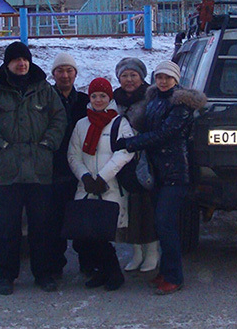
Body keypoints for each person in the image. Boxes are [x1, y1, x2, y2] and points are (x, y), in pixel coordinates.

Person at [0, 41, 66, 295]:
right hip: (8, 172)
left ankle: (44, 274)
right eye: (16, 60)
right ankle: (6, 276)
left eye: (24, 59)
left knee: (41, 227)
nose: (21, 64)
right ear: (7, 63)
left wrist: (48, 143)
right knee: (8, 228)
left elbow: (59, 120)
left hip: (39, 171)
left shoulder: (44, 90)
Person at [114, 60, 207, 295]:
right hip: (158, 171)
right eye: (159, 77)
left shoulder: (181, 105)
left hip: (176, 172)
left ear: (176, 80)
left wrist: (131, 143)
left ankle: (175, 276)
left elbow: (165, 134)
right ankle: (166, 271)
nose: (163, 81)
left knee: (166, 224)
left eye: (167, 77)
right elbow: (145, 125)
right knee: (162, 223)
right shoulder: (154, 99)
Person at [67, 78, 135, 291]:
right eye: (94, 96)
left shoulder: (119, 123)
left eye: (102, 96)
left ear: (109, 98)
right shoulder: (81, 124)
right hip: (86, 187)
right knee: (83, 236)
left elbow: (125, 152)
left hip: (109, 186)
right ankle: (100, 271)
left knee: (101, 235)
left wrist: (102, 178)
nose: (98, 100)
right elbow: (73, 155)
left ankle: (112, 273)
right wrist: (85, 177)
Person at [112, 57, 159, 273]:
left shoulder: (151, 98)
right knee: (129, 208)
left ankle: (152, 251)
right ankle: (137, 252)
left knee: (146, 208)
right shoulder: (115, 100)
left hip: (145, 160)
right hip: (122, 161)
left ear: (142, 77)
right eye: (124, 75)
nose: (129, 79)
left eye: (133, 75)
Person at [47, 52, 92, 278]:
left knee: (82, 222)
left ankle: (88, 266)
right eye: (60, 71)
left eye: (69, 71)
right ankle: (54, 270)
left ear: (75, 74)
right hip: (52, 170)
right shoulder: (44, 100)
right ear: (53, 74)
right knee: (54, 225)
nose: (65, 75)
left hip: (81, 170)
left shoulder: (86, 102)